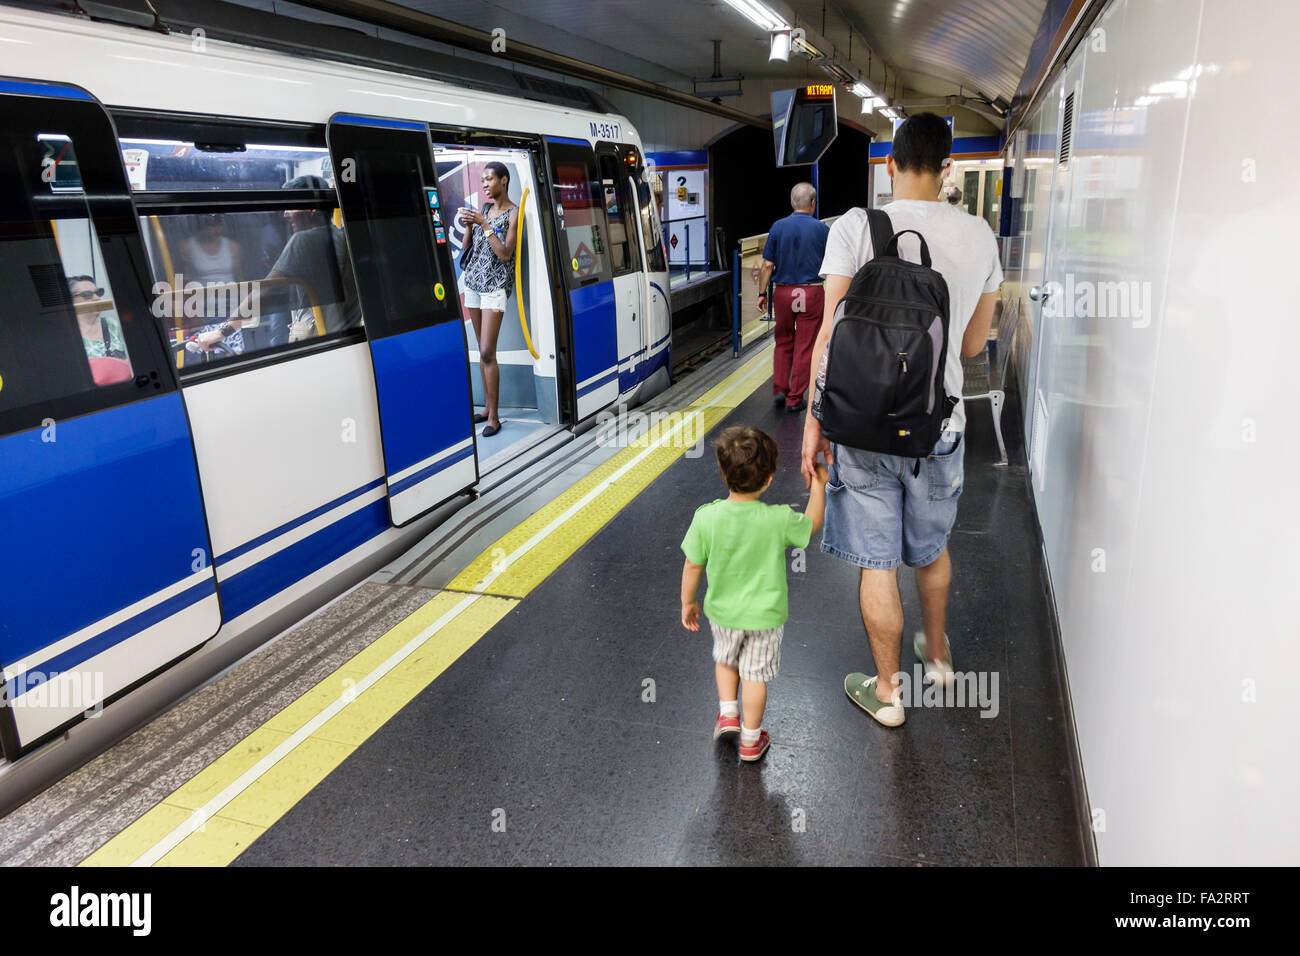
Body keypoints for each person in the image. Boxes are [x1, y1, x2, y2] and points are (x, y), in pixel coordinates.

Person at [800, 112, 1002, 727]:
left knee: (877, 561)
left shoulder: (855, 226)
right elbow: (970, 348)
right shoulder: (980, 236)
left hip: (860, 425)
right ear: (948, 169)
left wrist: (814, 423)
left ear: (889, 163)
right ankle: (937, 657)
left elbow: (829, 334)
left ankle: (889, 694)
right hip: (938, 426)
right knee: (932, 549)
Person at [681, 425, 829, 762]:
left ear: (723, 474)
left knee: (726, 660)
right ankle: (750, 739)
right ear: (769, 479)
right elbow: (811, 524)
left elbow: (692, 565)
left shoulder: (706, 518)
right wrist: (819, 486)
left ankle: (728, 714)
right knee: (754, 676)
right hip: (764, 618)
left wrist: (687, 601)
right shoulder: (777, 519)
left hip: (723, 613)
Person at [195, 175, 360, 353]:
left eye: (291, 206)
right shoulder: (339, 236)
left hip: (319, 345)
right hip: (345, 341)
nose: (285, 214)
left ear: (311, 209)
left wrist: (221, 332)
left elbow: (265, 291)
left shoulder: (305, 240)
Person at [457, 162, 519, 439]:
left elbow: (505, 254)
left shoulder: (514, 213)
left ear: (503, 180)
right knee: (480, 351)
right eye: (481, 180)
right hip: (473, 283)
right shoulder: (482, 210)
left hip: (495, 286)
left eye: (489, 179)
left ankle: (494, 416)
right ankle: (486, 410)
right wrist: (470, 224)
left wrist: (484, 225)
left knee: (486, 351)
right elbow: (467, 249)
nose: (484, 184)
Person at [757, 182, 830, 413]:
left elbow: (768, 265)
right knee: (805, 346)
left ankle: (780, 389)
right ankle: (795, 398)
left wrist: (761, 293)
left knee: (783, 340)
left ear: (791, 203)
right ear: (813, 204)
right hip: (811, 292)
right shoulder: (823, 230)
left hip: (784, 292)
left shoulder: (778, 227)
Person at [178, 212, 246, 355]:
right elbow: (184, 283)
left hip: (230, 309)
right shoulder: (187, 247)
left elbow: (240, 280)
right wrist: (192, 315)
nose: (217, 230)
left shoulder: (233, 247)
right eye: (212, 225)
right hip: (203, 310)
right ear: (202, 226)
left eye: (219, 225)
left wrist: (245, 311)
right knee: (206, 354)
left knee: (234, 354)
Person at [67, 275, 127, 360]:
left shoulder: (113, 325)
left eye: (98, 292)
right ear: (70, 300)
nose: (97, 298)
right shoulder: (68, 335)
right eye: (87, 294)